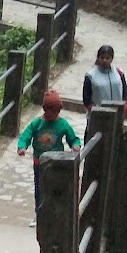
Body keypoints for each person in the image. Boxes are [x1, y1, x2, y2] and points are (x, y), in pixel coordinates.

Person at [17, 90, 80, 226]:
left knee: (56, 189)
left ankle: (55, 215)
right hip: (39, 163)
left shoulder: (62, 124)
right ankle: (40, 215)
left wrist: (75, 145)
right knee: (40, 190)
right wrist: (22, 146)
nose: (55, 114)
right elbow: (25, 136)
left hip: (56, 164)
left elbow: (72, 138)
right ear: (46, 110)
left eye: (57, 111)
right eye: (53, 111)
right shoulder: (36, 124)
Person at [82, 45, 127, 112]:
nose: (104, 60)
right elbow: (86, 97)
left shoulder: (119, 73)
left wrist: (125, 104)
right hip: (98, 114)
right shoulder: (90, 76)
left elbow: (125, 91)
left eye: (107, 58)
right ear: (98, 58)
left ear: (112, 58)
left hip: (117, 113)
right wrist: (93, 109)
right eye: (102, 58)